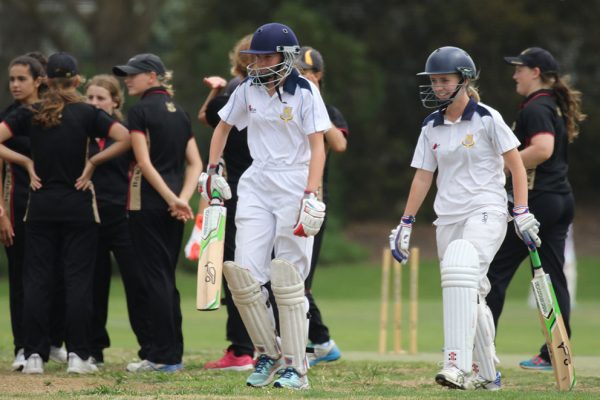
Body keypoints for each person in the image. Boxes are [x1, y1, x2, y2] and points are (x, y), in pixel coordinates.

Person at [389, 46, 540, 390]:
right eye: (434, 81)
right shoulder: (431, 126)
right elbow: (423, 176)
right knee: (468, 293)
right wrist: (406, 221)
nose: (437, 87)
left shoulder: (487, 117)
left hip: (486, 209)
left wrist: (521, 210)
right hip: (448, 218)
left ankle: (454, 365)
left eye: (444, 80)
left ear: (465, 80)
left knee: (462, 274)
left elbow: (516, 164)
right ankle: (488, 375)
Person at [201, 22, 329, 390]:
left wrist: (310, 192)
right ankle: (268, 353)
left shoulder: (305, 91)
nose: (256, 63)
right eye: (253, 57)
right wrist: (211, 170)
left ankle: (296, 367)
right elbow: (222, 128)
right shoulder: (246, 89)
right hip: (257, 181)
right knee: (245, 277)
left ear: (286, 57)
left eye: (265, 56)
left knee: (288, 280)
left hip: (294, 180)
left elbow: (318, 145)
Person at [0, 52, 131, 374]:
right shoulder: (87, 113)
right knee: (77, 281)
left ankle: (33, 355)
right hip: (78, 207)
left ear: (44, 80)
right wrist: (93, 162)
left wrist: (25, 162)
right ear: (76, 80)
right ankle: (78, 356)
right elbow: (126, 138)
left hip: (40, 207)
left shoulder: (31, 112)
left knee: (36, 281)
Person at [486, 47, 584, 371]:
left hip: (537, 202)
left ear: (536, 72)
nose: (515, 75)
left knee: (493, 274)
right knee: (554, 277)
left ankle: (479, 347)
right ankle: (554, 351)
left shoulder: (537, 107)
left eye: (519, 69)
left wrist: (501, 165)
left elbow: (543, 149)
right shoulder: (551, 105)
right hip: (560, 200)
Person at [112, 53, 202, 372]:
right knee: (165, 276)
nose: (127, 80)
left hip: (146, 203)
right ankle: (172, 353)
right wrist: (182, 199)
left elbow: (143, 162)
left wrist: (169, 199)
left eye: (133, 74)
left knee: (154, 278)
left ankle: (163, 357)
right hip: (173, 205)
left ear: (152, 76)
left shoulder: (139, 112)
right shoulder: (180, 111)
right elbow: (196, 163)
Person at [0, 53, 69, 371]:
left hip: (54, 201)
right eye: (11, 79)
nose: (15, 85)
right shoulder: (11, 116)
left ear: (39, 81)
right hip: (18, 200)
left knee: (55, 275)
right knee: (22, 276)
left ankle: (52, 341)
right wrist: (0, 209)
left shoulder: (53, 110)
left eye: (21, 79)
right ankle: (23, 347)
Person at [198, 34, 256, 372]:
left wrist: (217, 89)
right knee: (260, 267)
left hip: (239, 189)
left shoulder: (238, 91)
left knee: (236, 268)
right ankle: (266, 346)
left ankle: (241, 350)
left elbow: (208, 117)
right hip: (266, 188)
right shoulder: (276, 94)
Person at [84, 75, 151, 366]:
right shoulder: (80, 133)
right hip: (90, 219)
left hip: (123, 219)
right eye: (90, 98)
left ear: (115, 102)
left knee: (137, 285)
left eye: (101, 98)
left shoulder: (126, 135)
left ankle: (149, 349)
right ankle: (94, 350)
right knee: (93, 287)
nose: (95, 104)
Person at [295, 46, 348, 366]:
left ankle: (319, 342)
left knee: (300, 281)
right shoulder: (284, 107)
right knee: (283, 276)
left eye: (306, 74)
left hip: (312, 203)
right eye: (296, 73)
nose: (300, 79)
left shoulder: (328, 111)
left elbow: (339, 144)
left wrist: (314, 105)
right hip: (281, 196)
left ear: (318, 77)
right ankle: (318, 342)